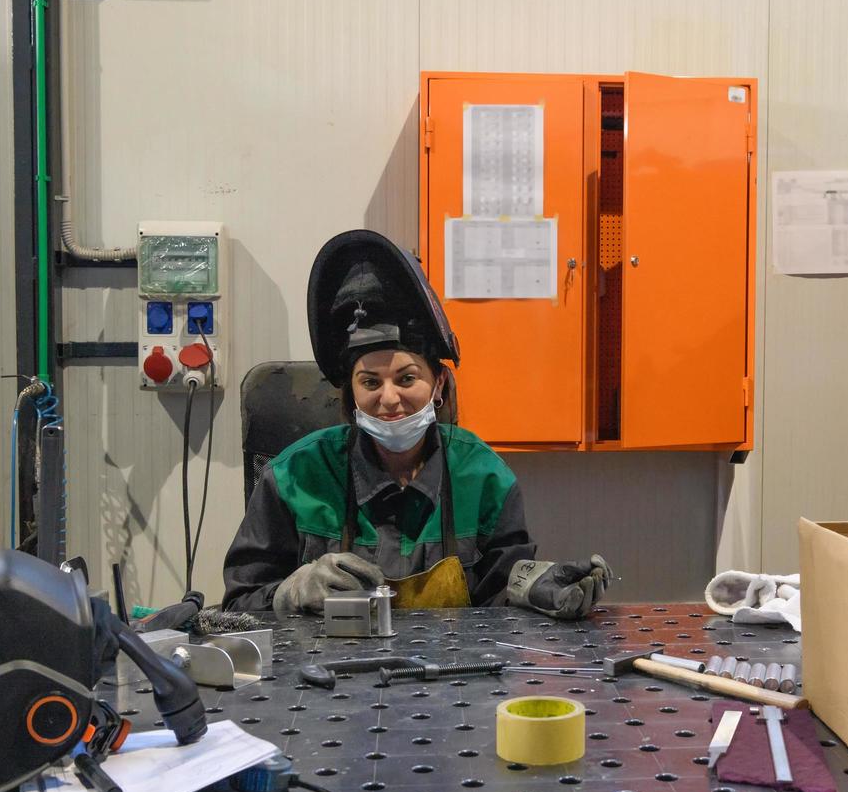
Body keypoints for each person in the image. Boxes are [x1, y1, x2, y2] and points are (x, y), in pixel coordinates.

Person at [222, 229, 610, 619]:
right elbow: (238, 605)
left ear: (438, 384)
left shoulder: (485, 478)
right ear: (350, 392)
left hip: (454, 676)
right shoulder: (293, 477)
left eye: (407, 378)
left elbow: (500, 604)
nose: (389, 398)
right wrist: (292, 591)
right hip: (324, 673)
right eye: (370, 382)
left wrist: (535, 588)